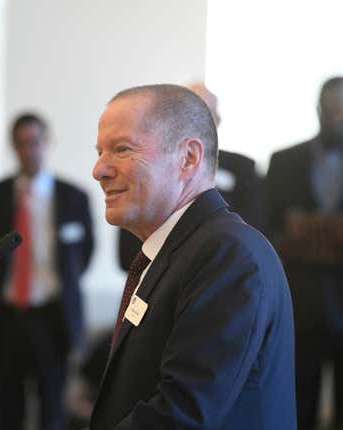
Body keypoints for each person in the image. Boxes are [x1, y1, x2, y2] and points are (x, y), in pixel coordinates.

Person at [90, 84, 295, 429]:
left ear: (188, 158)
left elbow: (183, 414)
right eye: (99, 152)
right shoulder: (178, 249)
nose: (99, 170)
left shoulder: (227, 255)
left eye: (122, 149)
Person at [0, 113, 94, 430]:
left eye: (36, 142)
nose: (30, 150)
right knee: (7, 413)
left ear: (47, 144)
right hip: (5, 317)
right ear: (14, 147)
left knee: (52, 413)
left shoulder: (73, 197)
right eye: (23, 144)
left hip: (53, 318)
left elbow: (85, 253)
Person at [118, 81, 264, 268]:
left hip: (224, 265)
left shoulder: (243, 168)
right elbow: (127, 251)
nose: (192, 123)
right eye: (182, 115)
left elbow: (255, 227)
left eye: (202, 114)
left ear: (217, 120)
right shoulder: (148, 168)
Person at [266, 77, 343, 429]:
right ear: (318, 111)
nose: (338, 119)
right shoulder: (283, 161)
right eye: (332, 112)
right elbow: (263, 228)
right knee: (297, 408)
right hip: (300, 308)